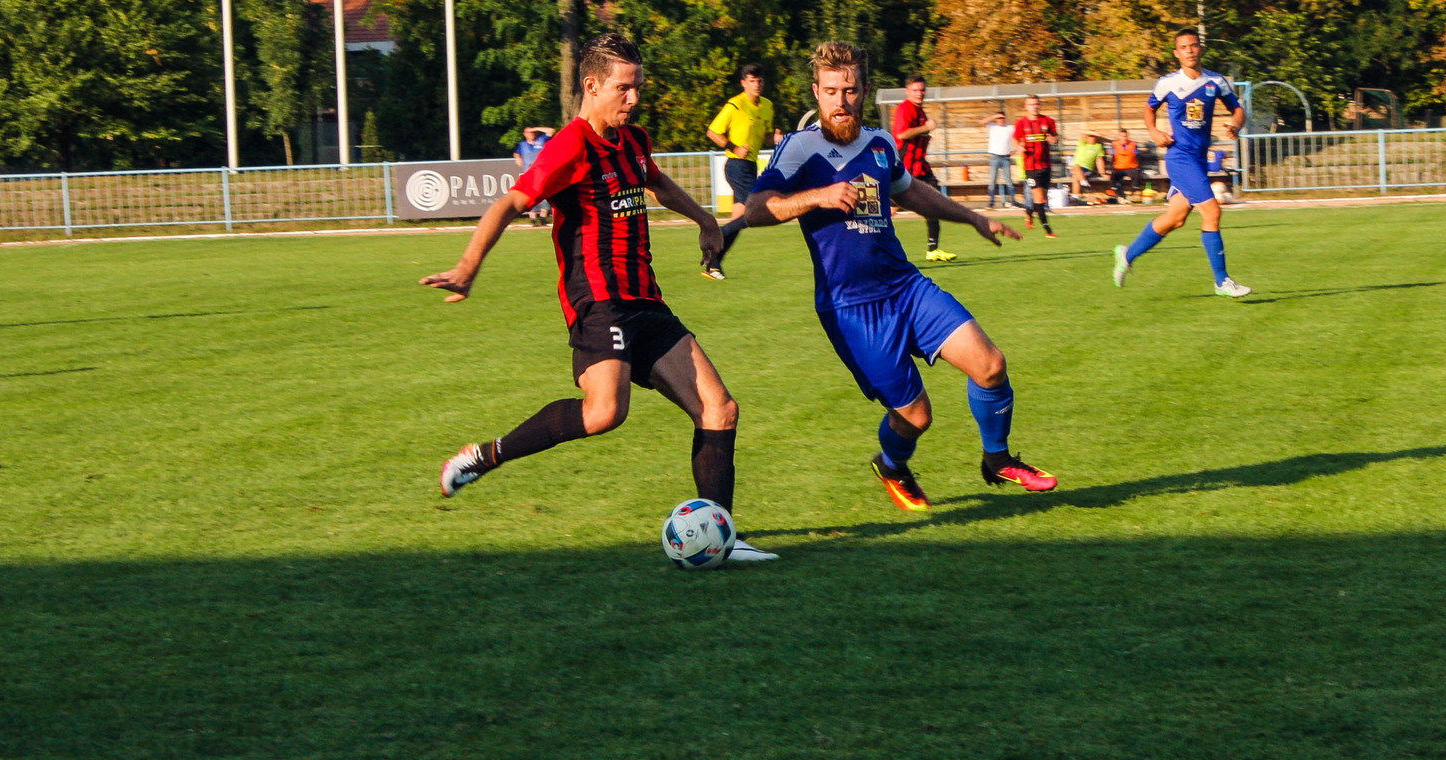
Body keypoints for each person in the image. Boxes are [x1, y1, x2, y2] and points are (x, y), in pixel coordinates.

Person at [423, 32, 777, 563]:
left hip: (646, 300)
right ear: (591, 86)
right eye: (623, 88)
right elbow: (510, 203)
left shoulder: (633, 140)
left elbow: (656, 182)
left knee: (719, 408)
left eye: (638, 88)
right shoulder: (569, 146)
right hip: (598, 300)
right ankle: (483, 456)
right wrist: (468, 268)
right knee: (605, 412)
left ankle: (719, 538)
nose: (634, 99)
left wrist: (705, 220)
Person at [745, 41, 1058, 511]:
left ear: (865, 90)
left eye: (850, 90)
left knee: (991, 364)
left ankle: (997, 459)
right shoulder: (798, 148)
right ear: (816, 92)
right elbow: (755, 210)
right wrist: (817, 197)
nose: (840, 101)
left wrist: (973, 218)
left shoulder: (880, 143)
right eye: (830, 91)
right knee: (916, 416)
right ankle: (892, 466)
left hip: (905, 287)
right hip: (851, 307)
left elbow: (911, 192)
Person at [1113, 28, 1251, 298]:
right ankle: (1222, 281)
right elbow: (1149, 108)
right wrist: (1154, 132)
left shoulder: (1215, 81)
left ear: (1201, 49)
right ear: (1176, 53)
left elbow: (1237, 108)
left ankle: (1126, 255)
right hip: (1179, 157)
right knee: (1212, 213)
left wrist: (1235, 125)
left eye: (1194, 45)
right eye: (1184, 47)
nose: (1189, 50)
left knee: (1175, 219)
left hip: (1198, 160)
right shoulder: (1168, 82)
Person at [702, 64, 782, 280]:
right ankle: (715, 237)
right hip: (736, 165)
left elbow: (765, 136)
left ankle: (713, 264)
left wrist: (775, 139)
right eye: (752, 81)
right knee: (756, 211)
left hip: (750, 166)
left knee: (739, 220)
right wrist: (733, 147)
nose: (757, 85)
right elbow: (713, 132)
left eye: (760, 81)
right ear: (743, 83)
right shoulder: (735, 105)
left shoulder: (767, 105)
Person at [891, 74, 953, 262]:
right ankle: (868, 246)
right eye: (915, 90)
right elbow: (902, 134)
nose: (919, 93)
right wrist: (926, 127)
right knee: (890, 209)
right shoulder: (905, 109)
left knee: (934, 202)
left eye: (922, 90)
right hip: (906, 165)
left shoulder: (919, 111)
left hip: (920, 165)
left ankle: (933, 250)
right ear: (907, 91)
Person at [1012, 95, 1059, 237]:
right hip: (1031, 167)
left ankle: (1028, 212)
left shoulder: (1048, 121)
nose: (1034, 107)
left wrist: (1053, 139)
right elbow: (1015, 140)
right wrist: (1018, 148)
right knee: (1039, 199)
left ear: (1040, 105)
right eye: (1031, 104)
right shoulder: (1021, 123)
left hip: (1046, 165)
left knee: (1042, 198)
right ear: (1026, 106)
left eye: (1036, 104)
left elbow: (1055, 138)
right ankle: (1048, 230)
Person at [513, 126, 555, 224]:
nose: (531, 134)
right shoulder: (522, 144)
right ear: (525, 134)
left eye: (533, 132)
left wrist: (536, 128)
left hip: (542, 173)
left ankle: (543, 217)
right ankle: (533, 218)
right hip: (529, 173)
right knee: (531, 194)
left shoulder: (541, 140)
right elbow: (516, 153)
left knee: (543, 194)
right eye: (529, 132)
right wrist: (518, 158)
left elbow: (551, 131)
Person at [984, 110, 1017, 209]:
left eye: (1002, 118)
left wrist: (1014, 150)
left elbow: (1018, 137)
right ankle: (991, 202)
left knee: (1008, 180)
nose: (1001, 120)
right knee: (992, 181)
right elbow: (982, 122)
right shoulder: (992, 126)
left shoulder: (1010, 128)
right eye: (999, 118)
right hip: (995, 157)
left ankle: (1013, 201)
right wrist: (994, 116)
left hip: (1006, 157)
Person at [1069, 130, 1108, 202]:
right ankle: (1084, 183)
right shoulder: (1082, 143)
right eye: (1090, 136)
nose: (1092, 138)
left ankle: (1075, 195)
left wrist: (1103, 173)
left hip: (1087, 169)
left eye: (1094, 137)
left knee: (1075, 174)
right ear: (1087, 138)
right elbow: (1082, 132)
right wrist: (1095, 133)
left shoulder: (1098, 146)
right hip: (1076, 168)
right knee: (1076, 168)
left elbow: (1099, 160)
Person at [1109, 127, 1141, 202]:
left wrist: (1138, 167)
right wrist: (1111, 168)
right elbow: (1112, 157)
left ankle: (1131, 194)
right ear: (1119, 137)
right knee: (1113, 178)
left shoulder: (1133, 144)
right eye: (1122, 136)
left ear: (1127, 136)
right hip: (1119, 167)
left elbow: (1137, 156)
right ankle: (1120, 195)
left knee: (1137, 176)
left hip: (1130, 166)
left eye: (1125, 136)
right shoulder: (1114, 144)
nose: (1124, 138)